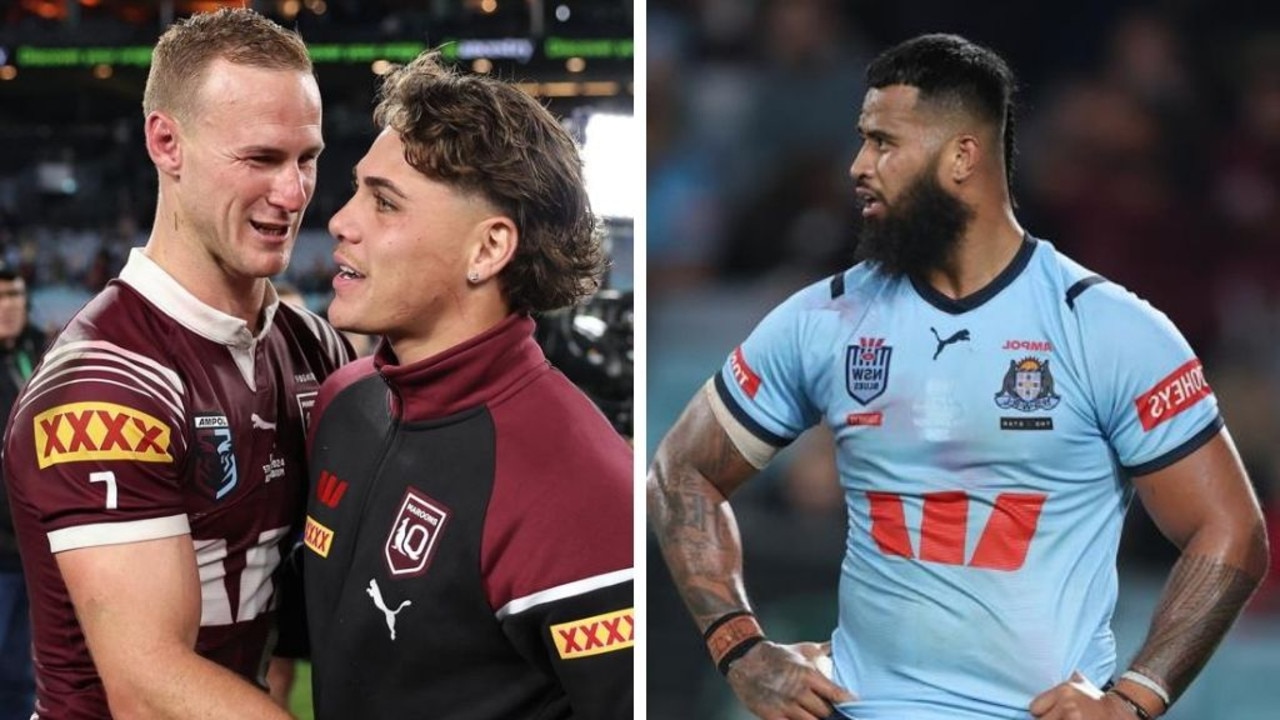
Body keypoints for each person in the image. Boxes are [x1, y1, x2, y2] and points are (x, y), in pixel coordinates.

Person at [648, 33, 1268, 720]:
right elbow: (681, 472)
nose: (857, 165)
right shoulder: (825, 320)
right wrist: (741, 648)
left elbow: (1230, 529)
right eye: (861, 140)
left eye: (883, 142)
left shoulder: (1106, 329)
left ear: (962, 157)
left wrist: (1134, 699)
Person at [2, 8, 352, 718]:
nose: (292, 194)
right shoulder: (102, 387)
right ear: (167, 142)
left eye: (306, 158)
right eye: (260, 159)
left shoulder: (314, 347)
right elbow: (148, 693)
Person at [303, 51, 633, 719]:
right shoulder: (343, 403)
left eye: (384, 203)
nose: (340, 221)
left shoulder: (584, 489)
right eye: (356, 189)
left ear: (487, 250)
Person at [0, 267, 43, 719]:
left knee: (27, 671)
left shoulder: (42, 349)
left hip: (35, 545)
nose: (8, 305)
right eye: (0, 297)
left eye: (14, 295)